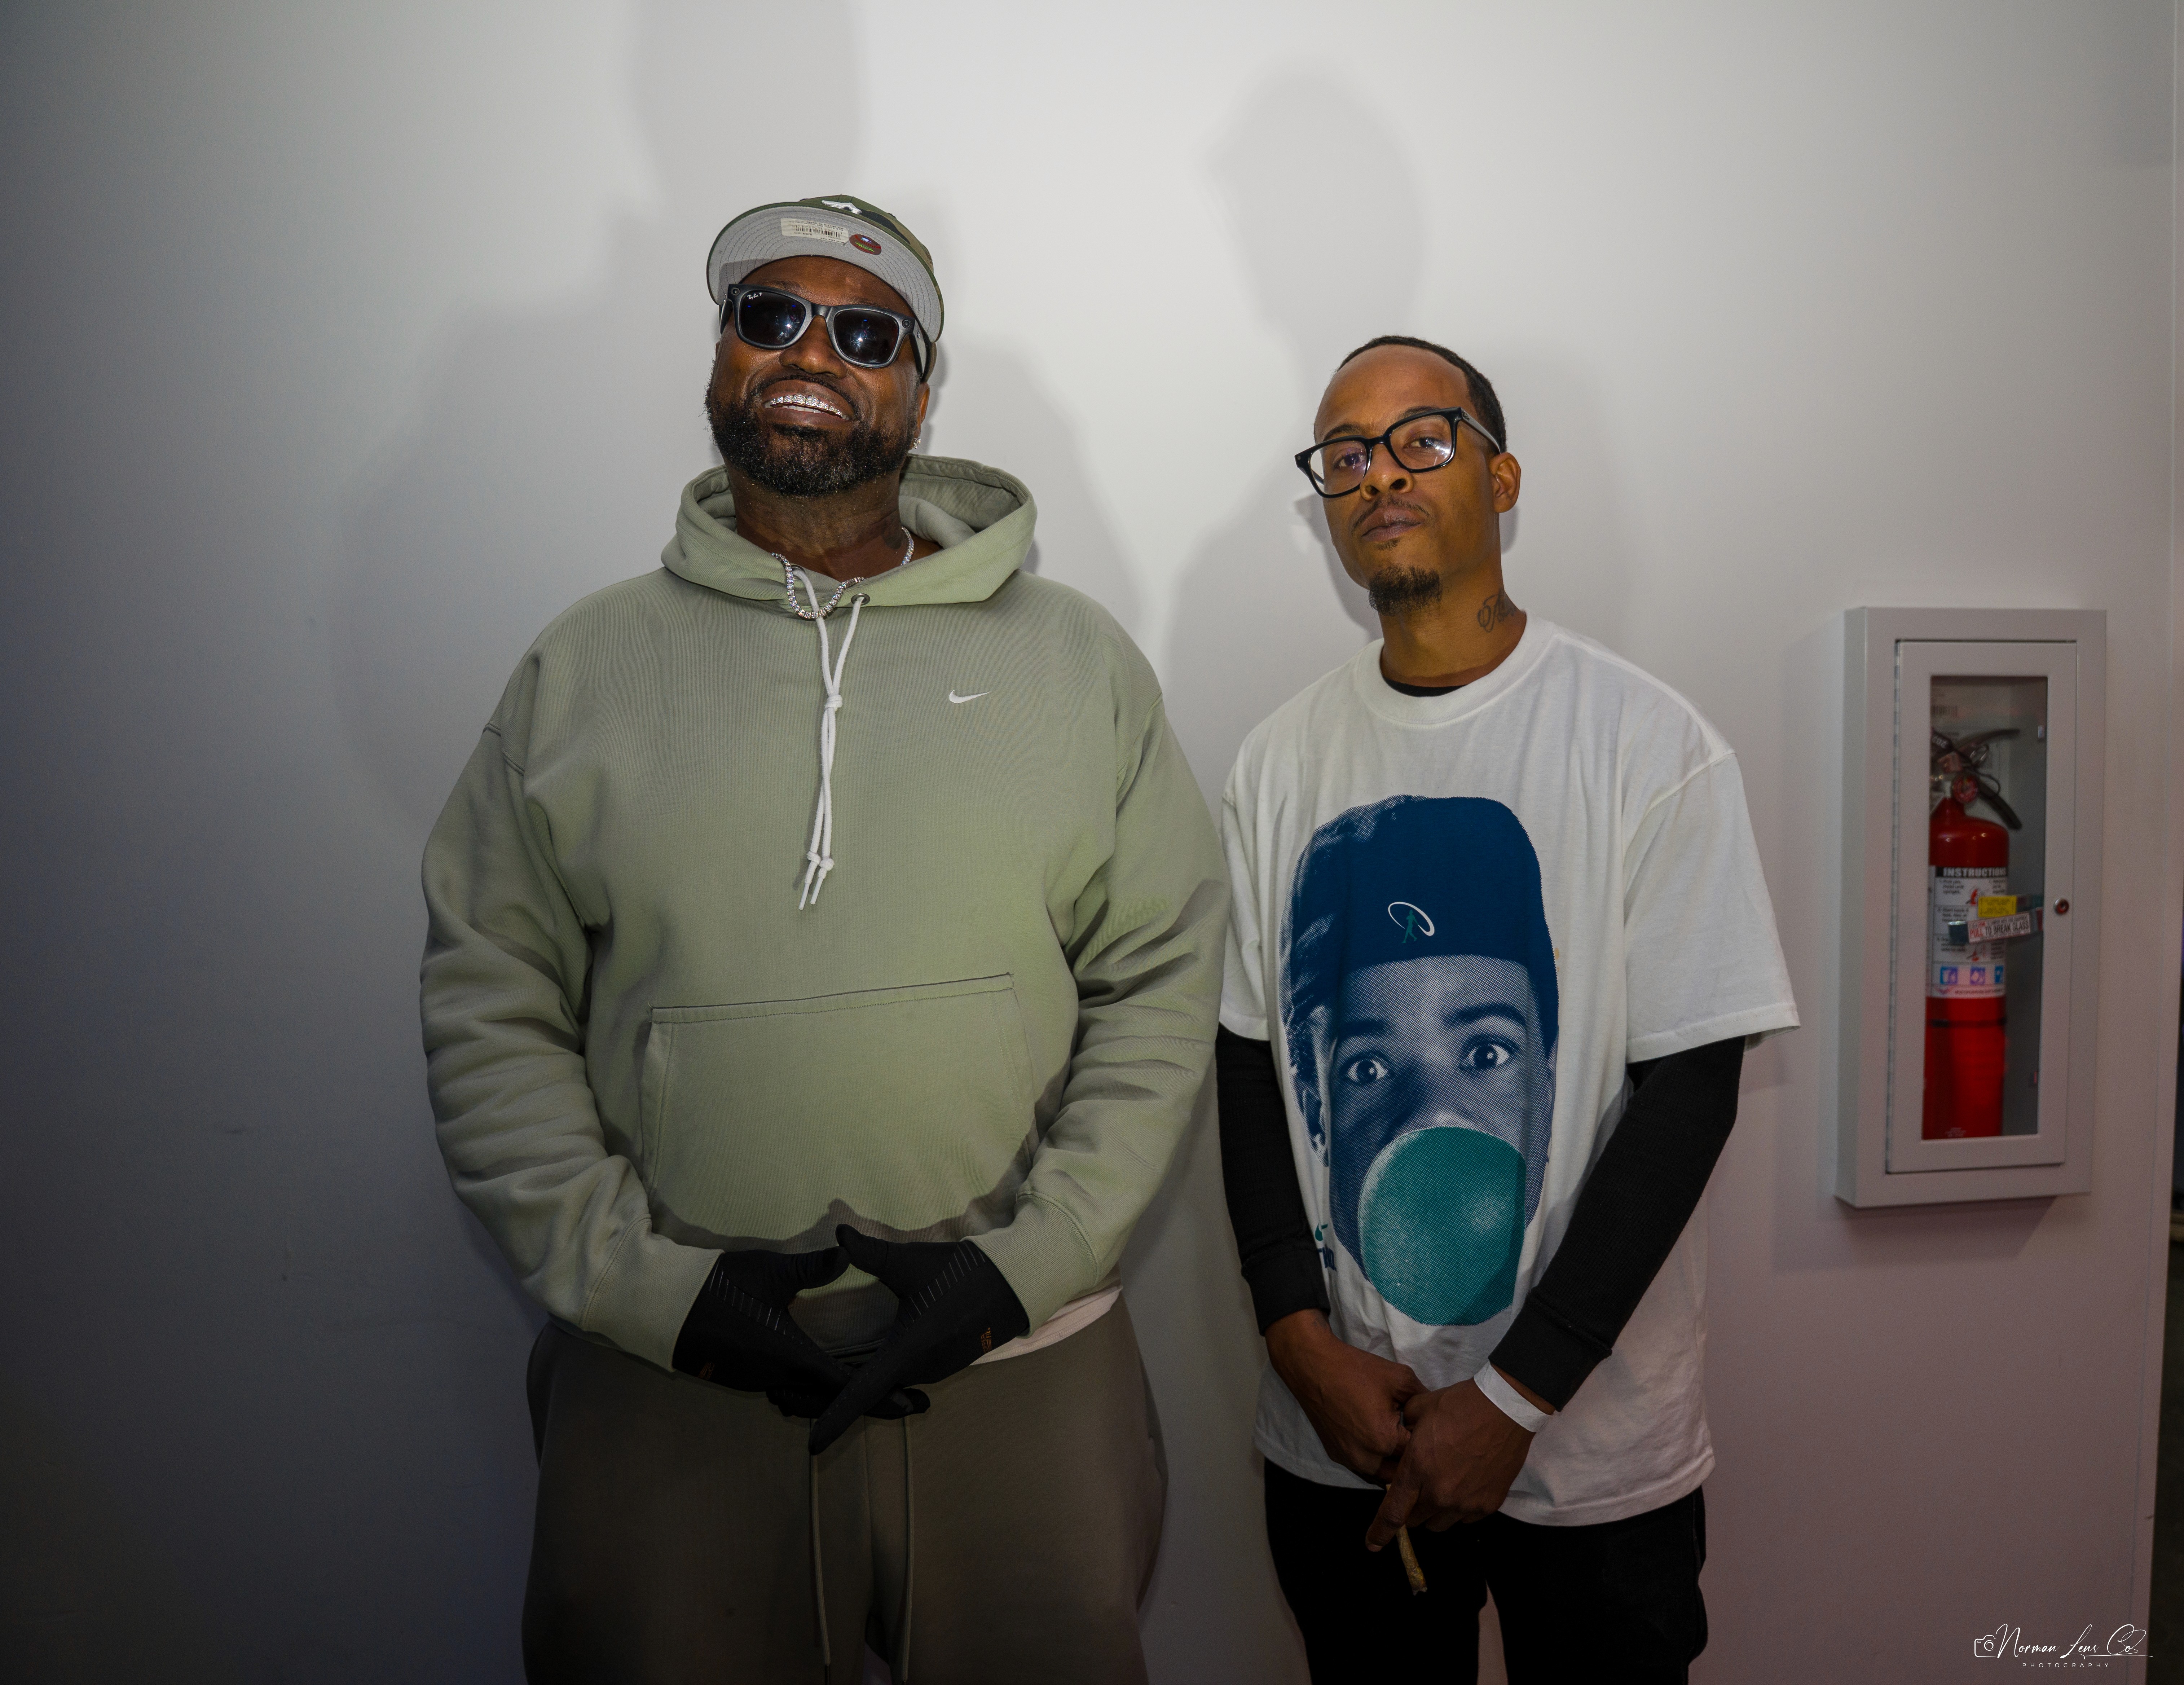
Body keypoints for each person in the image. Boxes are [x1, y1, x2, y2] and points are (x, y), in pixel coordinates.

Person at [419, 194, 1225, 1684]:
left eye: (865, 333)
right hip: (668, 1378)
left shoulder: (1078, 661)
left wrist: (1029, 1263)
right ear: (721, 352)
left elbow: (1162, 985)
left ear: (920, 392)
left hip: (1024, 1365)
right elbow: (490, 1000)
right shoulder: (580, 668)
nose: (810, 352)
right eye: (769, 315)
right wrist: (650, 1291)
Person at [1217, 335, 1797, 1683]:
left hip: (1592, 1449)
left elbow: (1690, 1093)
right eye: (1346, 455)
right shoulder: (1276, 763)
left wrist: (1516, 1393)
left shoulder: (1651, 748)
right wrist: (1297, 1335)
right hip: (1342, 1434)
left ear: (1503, 477)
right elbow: (1250, 1068)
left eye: (1421, 439)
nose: (1379, 475)